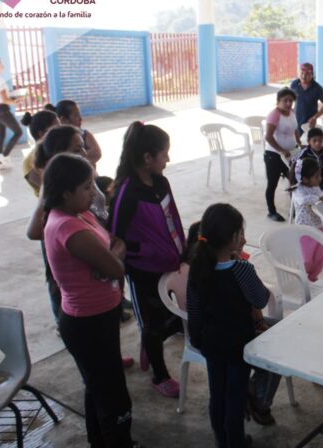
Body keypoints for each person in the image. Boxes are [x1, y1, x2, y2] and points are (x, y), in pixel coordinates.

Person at [40, 153, 136, 447]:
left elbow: (115, 245)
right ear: (66, 193)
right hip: (87, 323)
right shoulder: (68, 228)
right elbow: (116, 266)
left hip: (99, 316)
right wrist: (110, 256)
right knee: (114, 399)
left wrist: (109, 254)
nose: (92, 193)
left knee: (97, 389)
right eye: (85, 187)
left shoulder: (81, 215)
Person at [187, 203, 273, 447]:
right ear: (233, 238)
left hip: (211, 344)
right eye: (241, 233)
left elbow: (194, 311)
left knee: (218, 397)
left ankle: (221, 441)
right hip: (238, 346)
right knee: (234, 400)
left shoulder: (197, 268)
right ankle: (235, 442)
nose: (245, 238)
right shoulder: (242, 269)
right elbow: (261, 299)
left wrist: (197, 339)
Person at [109, 122, 184, 398]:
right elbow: (114, 238)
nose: (168, 159)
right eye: (164, 154)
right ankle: (159, 375)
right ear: (147, 158)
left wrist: (183, 252)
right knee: (152, 324)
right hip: (142, 272)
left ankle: (148, 343)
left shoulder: (162, 182)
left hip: (170, 265)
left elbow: (173, 219)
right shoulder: (126, 194)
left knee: (170, 318)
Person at [290, 158, 323, 281]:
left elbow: (320, 193)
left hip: (318, 227)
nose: (320, 178)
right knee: (306, 259)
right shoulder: (297, 190)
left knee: (321, 255)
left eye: (320, 175)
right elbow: (303, 200)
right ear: (304, 179)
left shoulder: (315, 187)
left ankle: (313, 277)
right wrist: (318, 198)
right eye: (317, 176)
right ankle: (302, 278)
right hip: (304, 230)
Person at [264, 87, 301, 222]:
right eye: (285, 100)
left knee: (295, 181)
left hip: (291, 154)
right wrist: (280, 150)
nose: (288, 103)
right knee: (272, 184)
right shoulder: (274, 115)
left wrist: (299, 142)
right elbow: (268, 136)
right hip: (273, 155)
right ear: (278, 101)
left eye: (291, 101)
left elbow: (295, 129)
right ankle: (271, 211)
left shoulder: (291, 112)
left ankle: (296, 209)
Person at [45, 100, 102, 167]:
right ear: (64, 119)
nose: (81, 119)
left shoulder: (84, 134)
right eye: (76, 115)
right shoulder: (56, 140)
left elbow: (97, 153)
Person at [21, 109, 60, 195]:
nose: (62, 132)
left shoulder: (61, 150)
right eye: (57, 129)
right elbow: (54, 190)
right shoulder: (29, 163)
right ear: (42, 134)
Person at [290, 62, 323, 132]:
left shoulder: (317, 88)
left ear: (312, 75)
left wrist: (315, 117)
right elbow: (290, 99)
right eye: (302, 73)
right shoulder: (294, 84)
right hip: (295, 121)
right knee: (296, 141)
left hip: (309, 123)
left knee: (308, 141)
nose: (304, 77)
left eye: (307, 74)